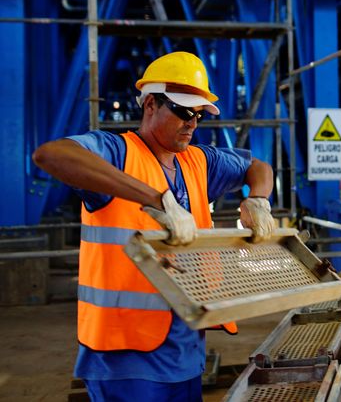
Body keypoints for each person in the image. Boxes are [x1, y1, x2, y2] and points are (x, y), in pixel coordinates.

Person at [32, 51, 276, 402]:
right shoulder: (117, 153)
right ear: (150, 104)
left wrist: (259, 199)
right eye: (181, 110)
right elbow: (51, 155)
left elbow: (257, 166)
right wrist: (157, 198)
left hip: (186, 352)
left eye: (197, 114)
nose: (191, 122)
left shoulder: (198, 161)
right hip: (124, 359)